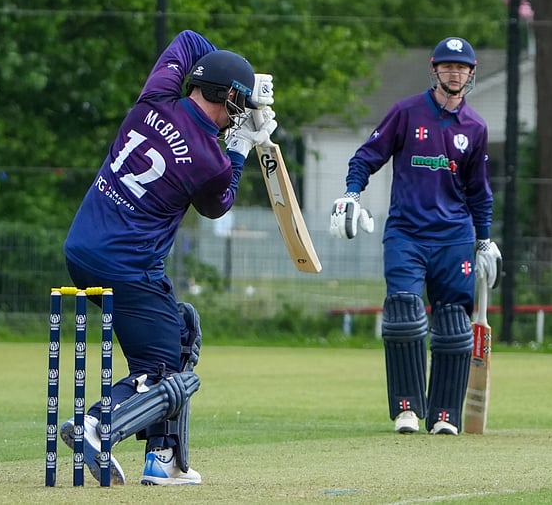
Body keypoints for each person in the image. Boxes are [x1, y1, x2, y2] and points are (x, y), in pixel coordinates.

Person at [61, 30, 277, 485]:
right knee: (163, 371)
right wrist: (239, 147)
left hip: (81, 248)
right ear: (231, 98)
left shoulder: (156, 97)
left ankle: (164, 462)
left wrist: (226, 66)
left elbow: (188, 38)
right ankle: (99, 425)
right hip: (128, 265)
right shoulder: (210, 159)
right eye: (240, 102)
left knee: (180, 332)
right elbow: (218, 204)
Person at [330, 36, 502, 435]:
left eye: (461, 68)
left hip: (454, 237)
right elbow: (365, 157)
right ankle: (407, 409)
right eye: (447, 67)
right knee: (405, 314)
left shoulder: (475, 128)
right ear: (434, 70)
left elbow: (480, 191)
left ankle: (444, 415)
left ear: (471, 74)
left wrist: (484, 239)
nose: (454, 73)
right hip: (406, 232)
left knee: (453, 325)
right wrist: (351, 195)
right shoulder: (406, 113)